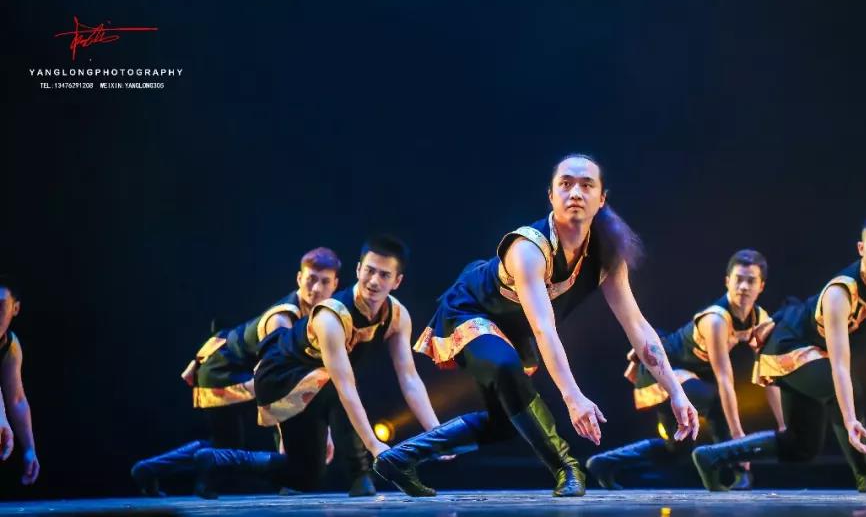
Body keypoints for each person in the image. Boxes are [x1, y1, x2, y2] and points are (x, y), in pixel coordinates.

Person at [374, 154, 700, 498]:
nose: (576, 192)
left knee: (505, 423)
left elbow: (638, 327)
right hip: (473, 310)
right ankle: (567, 466)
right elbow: (545, 328)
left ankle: (400, 459)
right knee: (505, 368)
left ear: (602, 198)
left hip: (514, 330)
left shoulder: (606, 252)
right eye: (566, 184)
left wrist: (676, 392)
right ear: (551, 195)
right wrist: (573, 398)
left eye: (587, 185)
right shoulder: (529, 248)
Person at [691, 208, 866, 491]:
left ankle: (713, 456)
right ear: (861, 248)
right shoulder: (840, 293)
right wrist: (850, 419)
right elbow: (839, 364)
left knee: (800, 447)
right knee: (846, 387)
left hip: (815, 359)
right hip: (787, 346)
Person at [194, 236, 443, 498]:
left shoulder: (397, 315)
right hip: (281, 375)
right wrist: (374, 446)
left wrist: (438, 434)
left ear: (397, 281)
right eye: (369, 271)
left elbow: (409, 377)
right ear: (358, 269)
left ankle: (217, 459)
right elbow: (343, 385)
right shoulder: (331, 317)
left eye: (384, 275)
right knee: (340, 387)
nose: (374, 281)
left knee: (304, 476)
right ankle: (361, 474)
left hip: (318, 380)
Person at [130, 248, 340, 496]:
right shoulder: (283, 319)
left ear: (335, 285)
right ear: (299, 278)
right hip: (223, 369)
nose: (316, 288)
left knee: (224, 445)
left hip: (234, 368)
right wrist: (287, 437)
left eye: (324, 281)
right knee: (228, 446)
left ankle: (149, 470)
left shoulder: (315, 318)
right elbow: (275, 384)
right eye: (311, 279)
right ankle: (205, 478)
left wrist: (323, 429)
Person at [587, 249, 780, 491]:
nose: (743, 287)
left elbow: (769, 374)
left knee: (676, 449)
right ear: (727, 281)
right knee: (718, 400)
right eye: (738, 279)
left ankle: (604, 463)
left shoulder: (760, 319)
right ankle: (739, 471)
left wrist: (783, 425)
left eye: (750, 281)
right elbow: (724, 378)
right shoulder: (716, 320)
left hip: (688, 380)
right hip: (662, 372)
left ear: (761, 286)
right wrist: (738, 434)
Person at [0, 276, 39, 486]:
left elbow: (16, 399)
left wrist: (29, 449)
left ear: (15, 309)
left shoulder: (10, 346)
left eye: (0, 306)